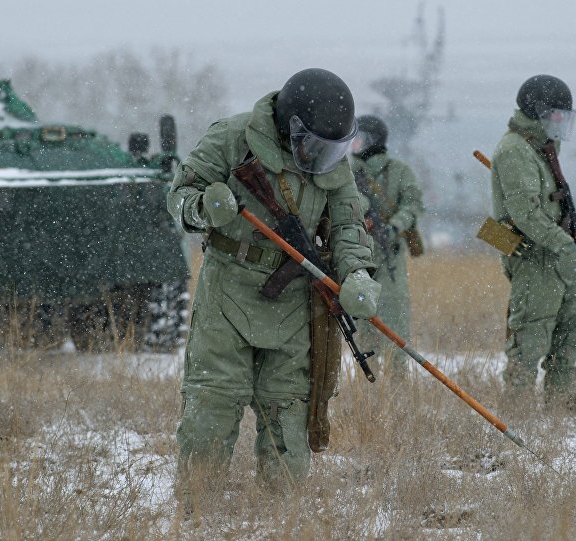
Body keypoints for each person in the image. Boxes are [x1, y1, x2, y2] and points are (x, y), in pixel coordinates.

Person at [166, 68, 380, 500]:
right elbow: (179, 197)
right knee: (213, 401)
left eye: (332, 149)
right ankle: (196, 507)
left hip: (295, 299)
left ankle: (282, 511)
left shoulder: (334, 165)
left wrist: (357, 273)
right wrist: (205, 206)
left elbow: (347, 226)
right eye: (316, 146)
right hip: (228, 287)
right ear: (291, 127)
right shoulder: (231, 138)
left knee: (289, 408)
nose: (323, 158)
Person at [489, 75, 576, 405]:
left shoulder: (541, 148)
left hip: (555, 259)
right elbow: (526, 214)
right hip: (535, 258)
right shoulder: (515, 151)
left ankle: (559, 410)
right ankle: (517, 413)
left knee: (571, 331)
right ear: (539, 111)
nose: (561, 123)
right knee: (530, 339)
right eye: (557, 115)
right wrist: (563, 245)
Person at [349, 115, 425, 373]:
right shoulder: (346, 172)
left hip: (390, 258)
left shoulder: (400, 171)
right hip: (358, 257)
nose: (353, 144)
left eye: (358, 138)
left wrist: (394, 226)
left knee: (395, 324)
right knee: (363, 327)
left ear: (371, 140)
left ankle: (398, 387)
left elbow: (413, 205)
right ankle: (367, 385)